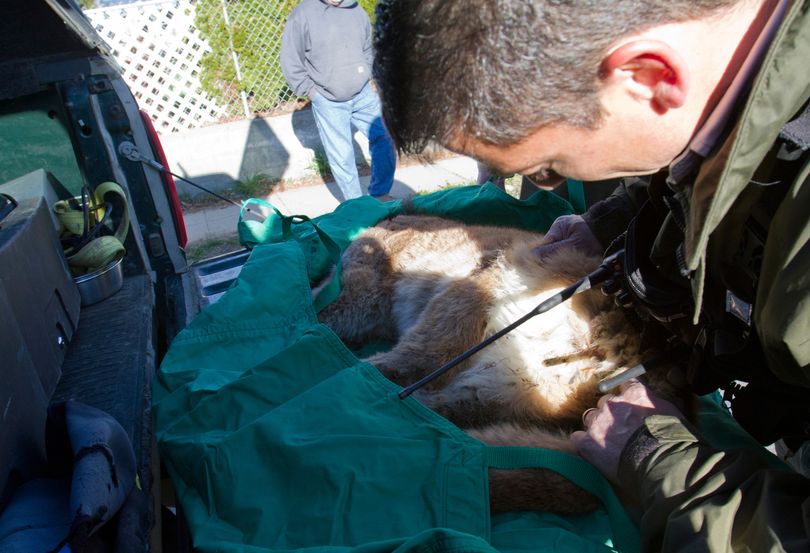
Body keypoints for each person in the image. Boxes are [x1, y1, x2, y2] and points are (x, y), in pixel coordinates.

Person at [372, 0, 810, 550]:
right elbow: (722, 165)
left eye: (548, 167)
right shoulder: (739, 94)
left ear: (648, 75)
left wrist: (657, 461)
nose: (552, 188)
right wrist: (619, 221)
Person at [280, 0, 396, 201]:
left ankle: (380, 194)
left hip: (363, 94)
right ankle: (357, 207)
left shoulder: (356, 11)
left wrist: (366, 73)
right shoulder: (303, 14)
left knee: (385, 136)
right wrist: (311, 92)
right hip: (328, 100)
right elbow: (290, 60)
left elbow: (368, 48)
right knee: (342, 156)